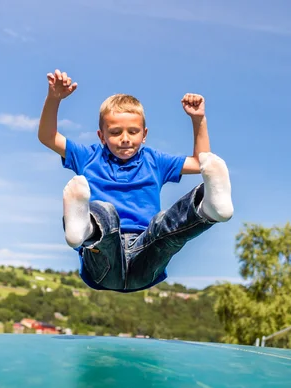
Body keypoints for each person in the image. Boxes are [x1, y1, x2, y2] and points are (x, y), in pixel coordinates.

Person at [37, 69, 234, 293]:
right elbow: (47, 137)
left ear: (144, 134)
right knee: (105, 212)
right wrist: (54, 98)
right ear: (101, 136)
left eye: (133, 131)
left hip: (145, 254)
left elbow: (202, 162)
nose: (125, 138)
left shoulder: (155, 161)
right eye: (115, 132)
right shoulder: (88, 156)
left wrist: (199, 119)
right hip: (104, 261)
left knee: (164, 225)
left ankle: (207, 208)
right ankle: (83, 228)